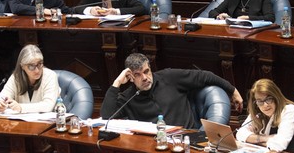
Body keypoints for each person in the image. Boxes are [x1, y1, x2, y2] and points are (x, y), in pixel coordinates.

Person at [100, 53, 243, 129]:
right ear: (130, 77)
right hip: (153, 148)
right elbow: (106, 117)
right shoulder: (128, 98)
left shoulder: (169, 77)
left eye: (146, 71)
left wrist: (233, 90)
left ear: (150, 68)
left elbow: (205, 76)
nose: (144, 78)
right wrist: (116, 83)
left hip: (186, 141)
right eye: (137, 75)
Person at [236, 79, 294, 153]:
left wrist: (253, 141)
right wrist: (265, 138)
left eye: (268, 99)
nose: (265, 105)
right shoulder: (258, 113)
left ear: (276, 97)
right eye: (260, 101)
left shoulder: (289, 110)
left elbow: (279, 145)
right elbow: (240, 134)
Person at [0, 44, 59, 113]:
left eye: (39, 64)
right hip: (23, 123)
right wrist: (0, 104)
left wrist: (20, 107)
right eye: (31, 66)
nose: (37, 70)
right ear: (22, 66)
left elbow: (48, 106)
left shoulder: (50, 76)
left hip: (48, 122)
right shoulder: (16, 78)